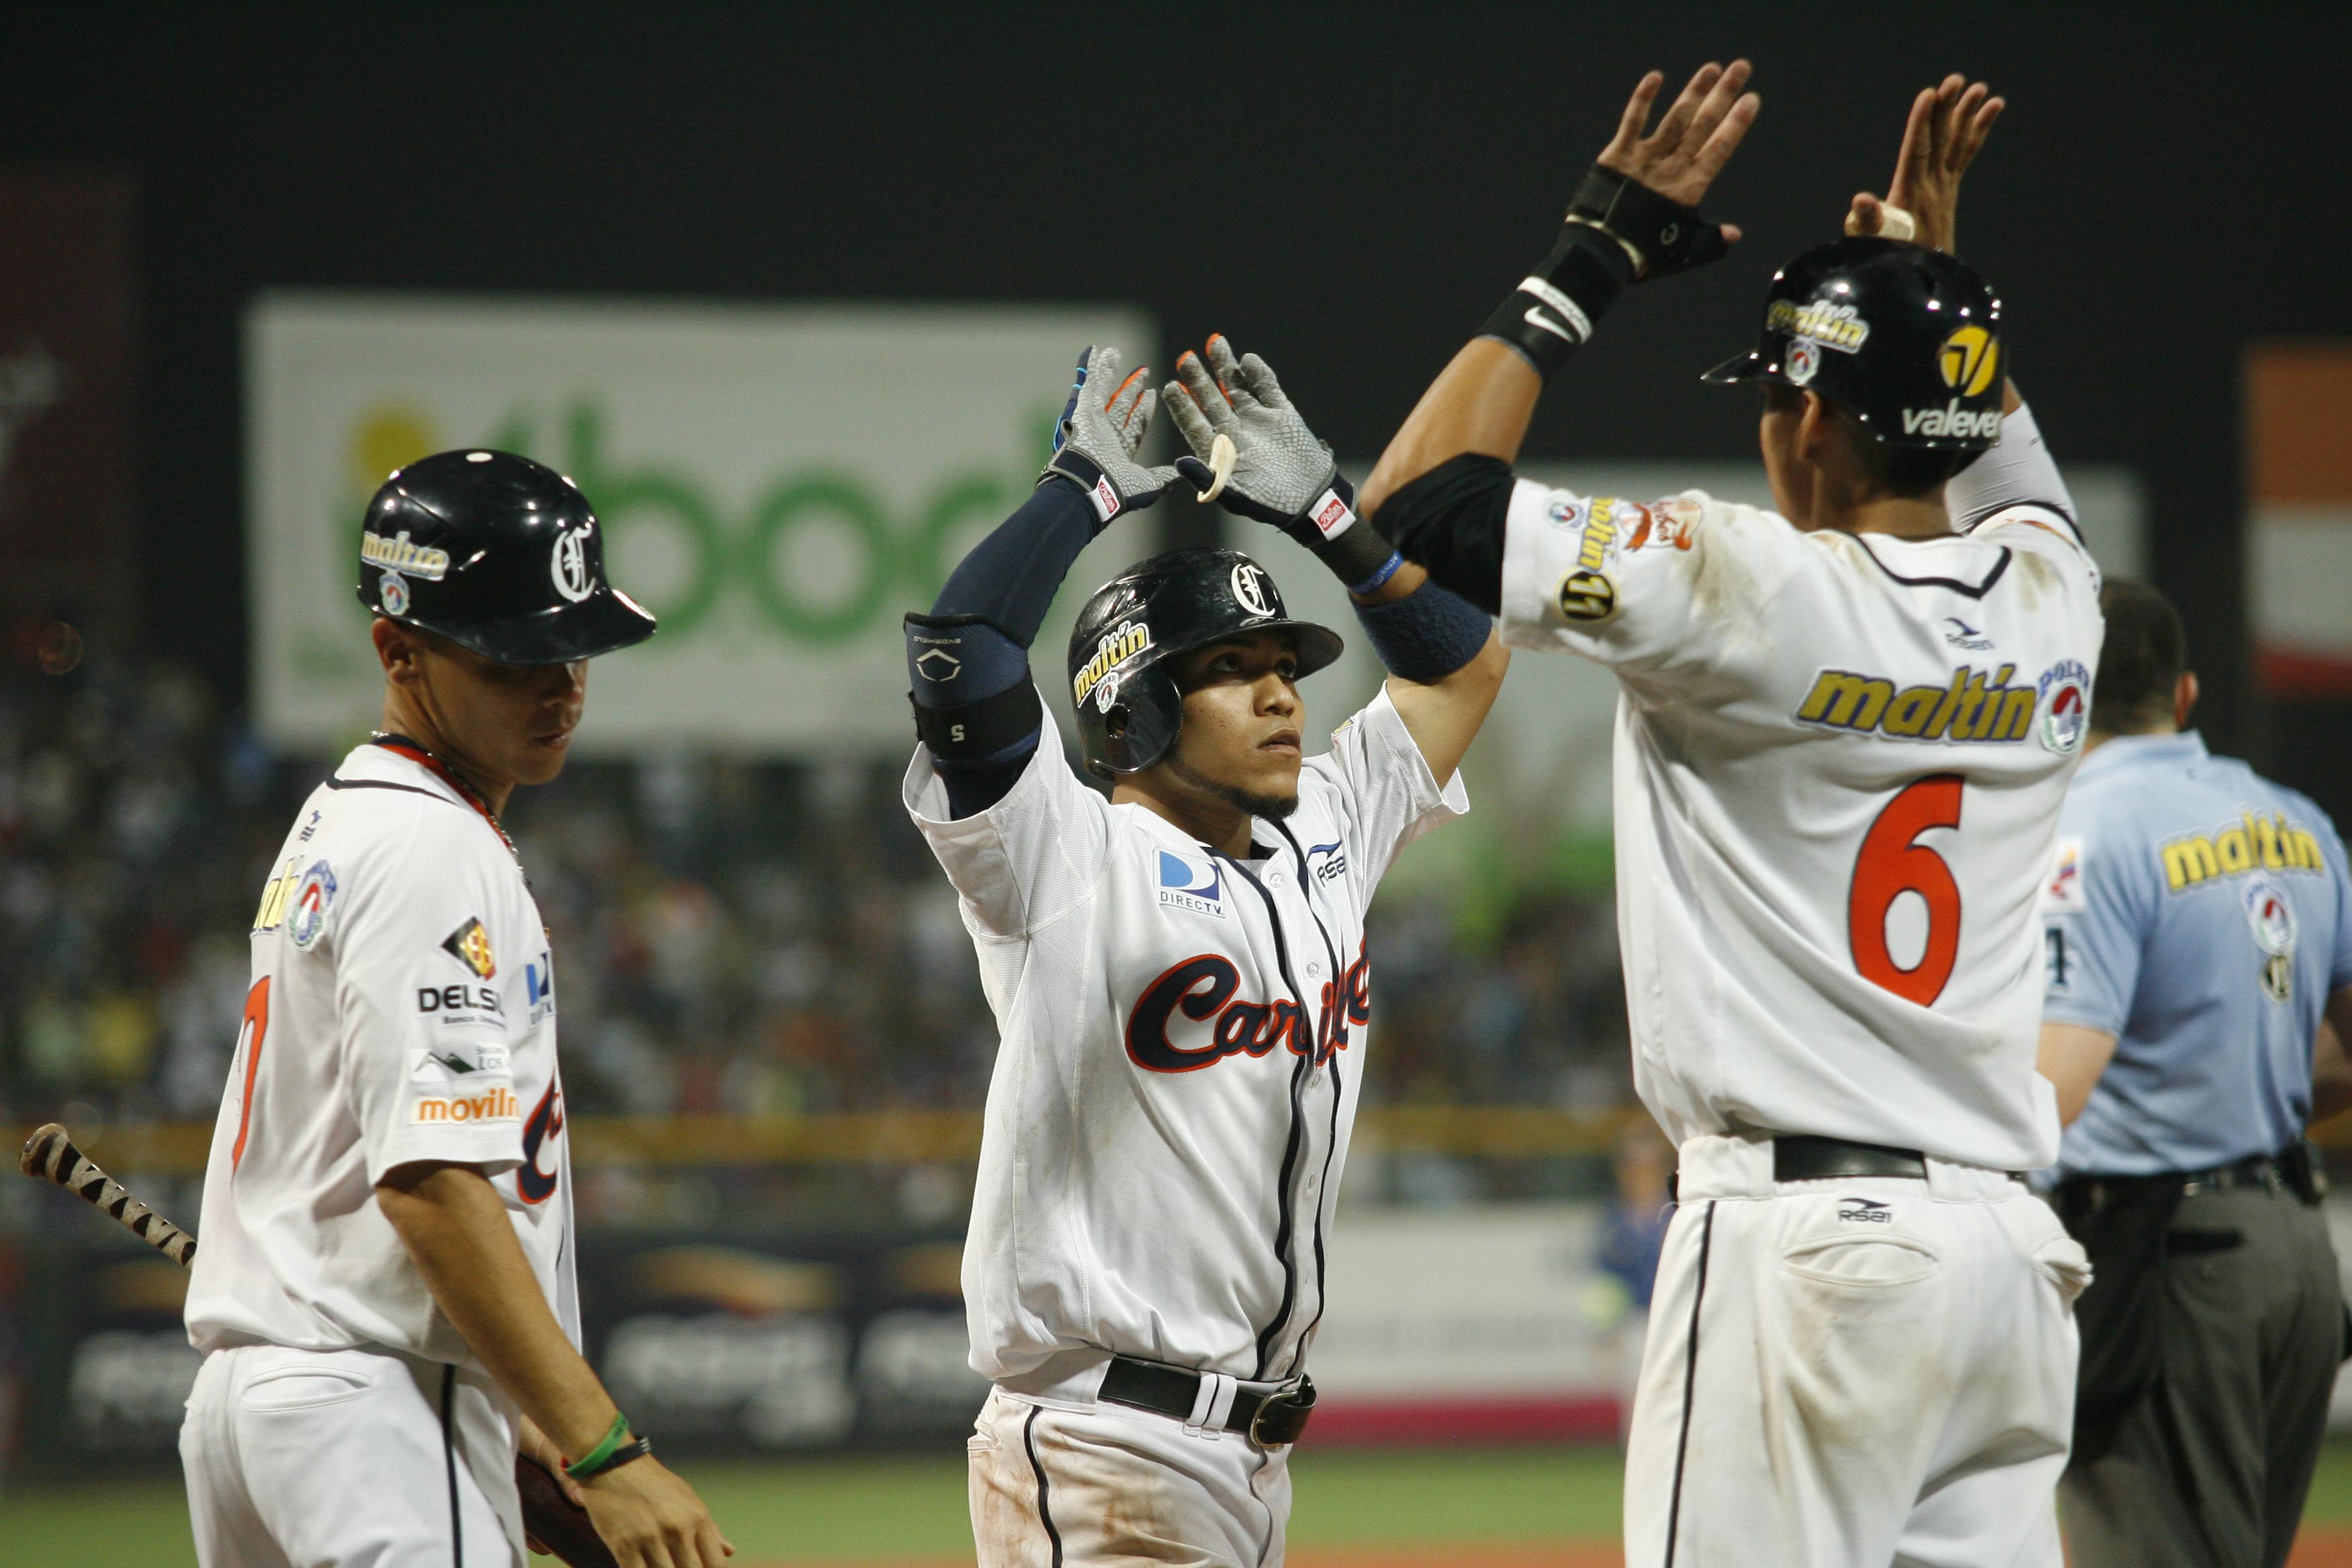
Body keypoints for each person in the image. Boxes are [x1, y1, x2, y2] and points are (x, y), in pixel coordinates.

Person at [1363, 66, 2102, 1565]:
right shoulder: (2056, 603)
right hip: (2011, 1266)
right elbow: (2000, 457)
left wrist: (1590, 253)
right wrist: (1930, 286)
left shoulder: (1751, 591)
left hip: (1806, 1256)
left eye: (1779, 398)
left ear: (1811, 416)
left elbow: (1412, 508)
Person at [901, 339, 1506, 1566]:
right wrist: (1081, 494)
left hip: (1252, 1455)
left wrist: (1332, 517)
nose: (1284, 694)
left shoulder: (1326, 825)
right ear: (1137, 706)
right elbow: (961, 653)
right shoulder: (1061, 860)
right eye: (1233, 672)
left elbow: (1466, 663)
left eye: (1285, 666)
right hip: (1101, 1439)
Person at [179, 451, 732, 1568]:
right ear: (399, 650)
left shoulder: (344, 821)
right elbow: (431, 1184)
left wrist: (515, 1406)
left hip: (271, 1409)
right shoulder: (431, 843)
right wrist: (603, 1451)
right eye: (518, 653)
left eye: (574, 647)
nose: (561, 683)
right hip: (370, 1404)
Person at [2038, 579, 2352, 1568]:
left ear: (2060, 698)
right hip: (2297, 1250)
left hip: (2168, 1258)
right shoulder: (2295, 818)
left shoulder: (2086, 830)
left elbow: (2056, 1088)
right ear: (2182, 697)